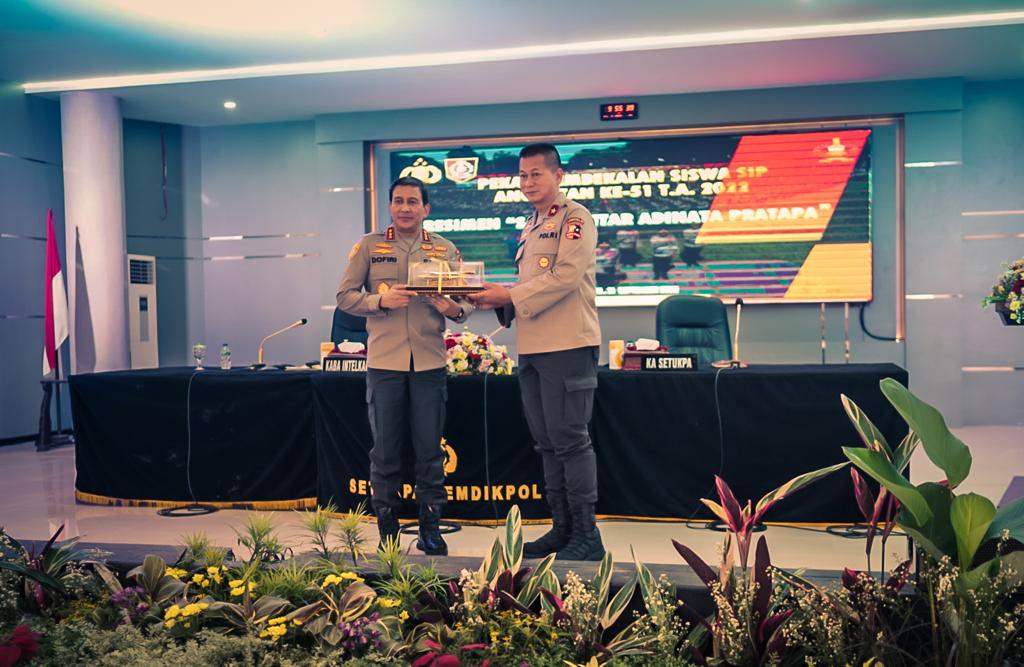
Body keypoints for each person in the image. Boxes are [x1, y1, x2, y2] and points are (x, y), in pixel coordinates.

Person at [469, 143, 604, 561]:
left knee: (571, 442)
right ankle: (562, 529)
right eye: (522, 175)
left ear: (557, 176)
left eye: (536, 174)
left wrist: (508, 295)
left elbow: (565, 277)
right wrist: (495, 297)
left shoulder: (575, 219)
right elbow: (530, 286)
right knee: (546, 443)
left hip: (568, 345)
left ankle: (587, 536)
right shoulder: (532, 224)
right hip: (533, 347)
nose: (527, 182)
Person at [336, 176, 471, 555]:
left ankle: (431, 529)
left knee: (430, 450)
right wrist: (380, 301)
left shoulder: (444, 249)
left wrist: (451, 307)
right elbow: (344, 296)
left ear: (426, 209)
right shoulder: (369, 246)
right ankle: (388, 532)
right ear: (390, 206)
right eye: (399, 201)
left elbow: (467, 302)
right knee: (386, 450)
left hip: (429, 363)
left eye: (413, 201)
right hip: (385, 364)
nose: (405, 208)